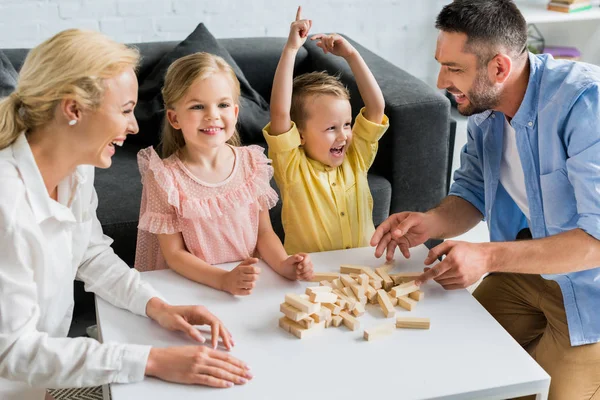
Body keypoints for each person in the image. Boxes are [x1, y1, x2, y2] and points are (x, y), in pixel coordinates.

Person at [0, 29, 252, 400]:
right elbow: (13, 350)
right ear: (73, 110)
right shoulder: (7, 203)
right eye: (125, 110)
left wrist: (158, 306)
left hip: (33, 383)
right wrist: (152, 360)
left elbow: (91, 254)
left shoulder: (77, 170)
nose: (134, 127)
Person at [371, 1, 600, 398]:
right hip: (527, 272)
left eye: (454, 68)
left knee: (538, 392)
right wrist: (429, 223)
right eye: (441, 63)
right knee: (460, 369)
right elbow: (473, 192)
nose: (441, 80)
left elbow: (596, 242)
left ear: (499, 68)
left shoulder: (585, 105)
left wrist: (487, 257)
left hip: (591, 291)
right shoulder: (483, 106)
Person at [134, 52, 314, 295]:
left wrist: (283, 265)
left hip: (244, 283)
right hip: (195, 286)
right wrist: (223, 280)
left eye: (223, 105)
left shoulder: (253, 163)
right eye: (198, 106)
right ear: (174, 118)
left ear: (236, 113)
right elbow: (174, 255)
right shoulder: (165, 177)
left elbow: (263, 233)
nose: (213, 115)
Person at [263, 6, 389, 255]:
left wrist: (351, 55)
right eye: (331, 128)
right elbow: (279, 112)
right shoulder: (292, 168)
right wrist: (290, 50)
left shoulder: (356, 158)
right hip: (310, 278)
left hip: (361, 270)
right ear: (299, 135)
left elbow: (377, 107)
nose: (343, 135)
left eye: (346, 124)